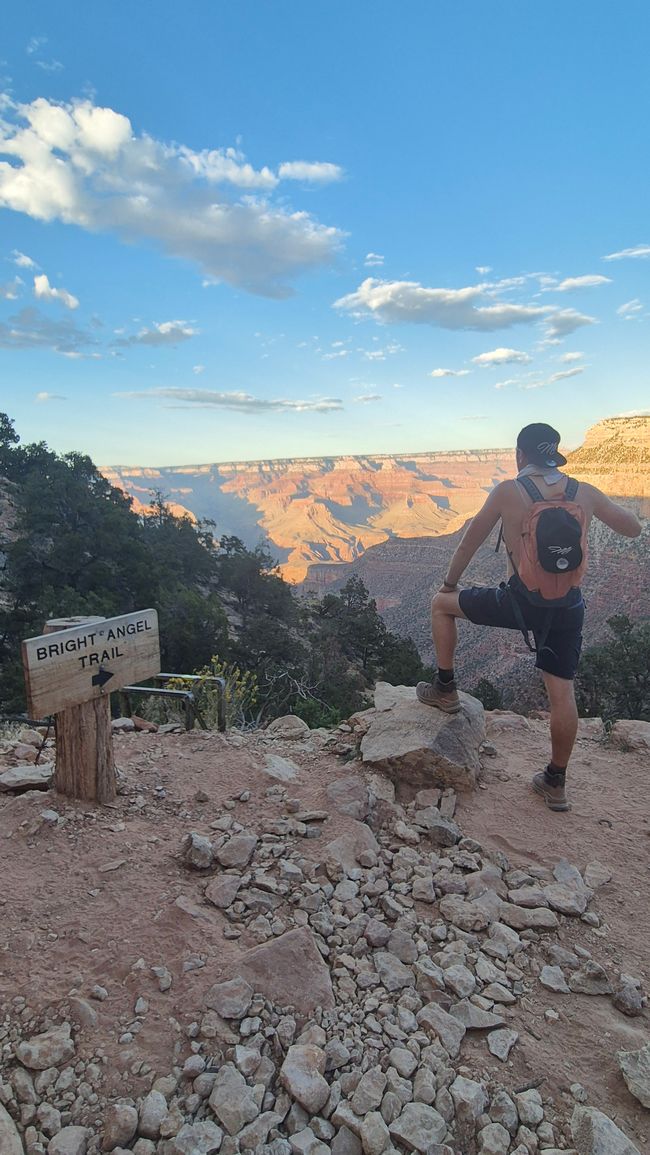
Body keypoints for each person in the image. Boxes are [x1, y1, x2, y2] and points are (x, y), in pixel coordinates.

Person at [416, 422, 642, 812]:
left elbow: (471, 540)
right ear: (555, 453)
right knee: (562, 694)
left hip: (519, 605)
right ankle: (555, 782)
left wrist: (450, 582)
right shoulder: (582, 491)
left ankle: (445, 688)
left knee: (440, 604)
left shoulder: (508, 492)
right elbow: (634, 529)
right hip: (568, 606)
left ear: (520, 456)